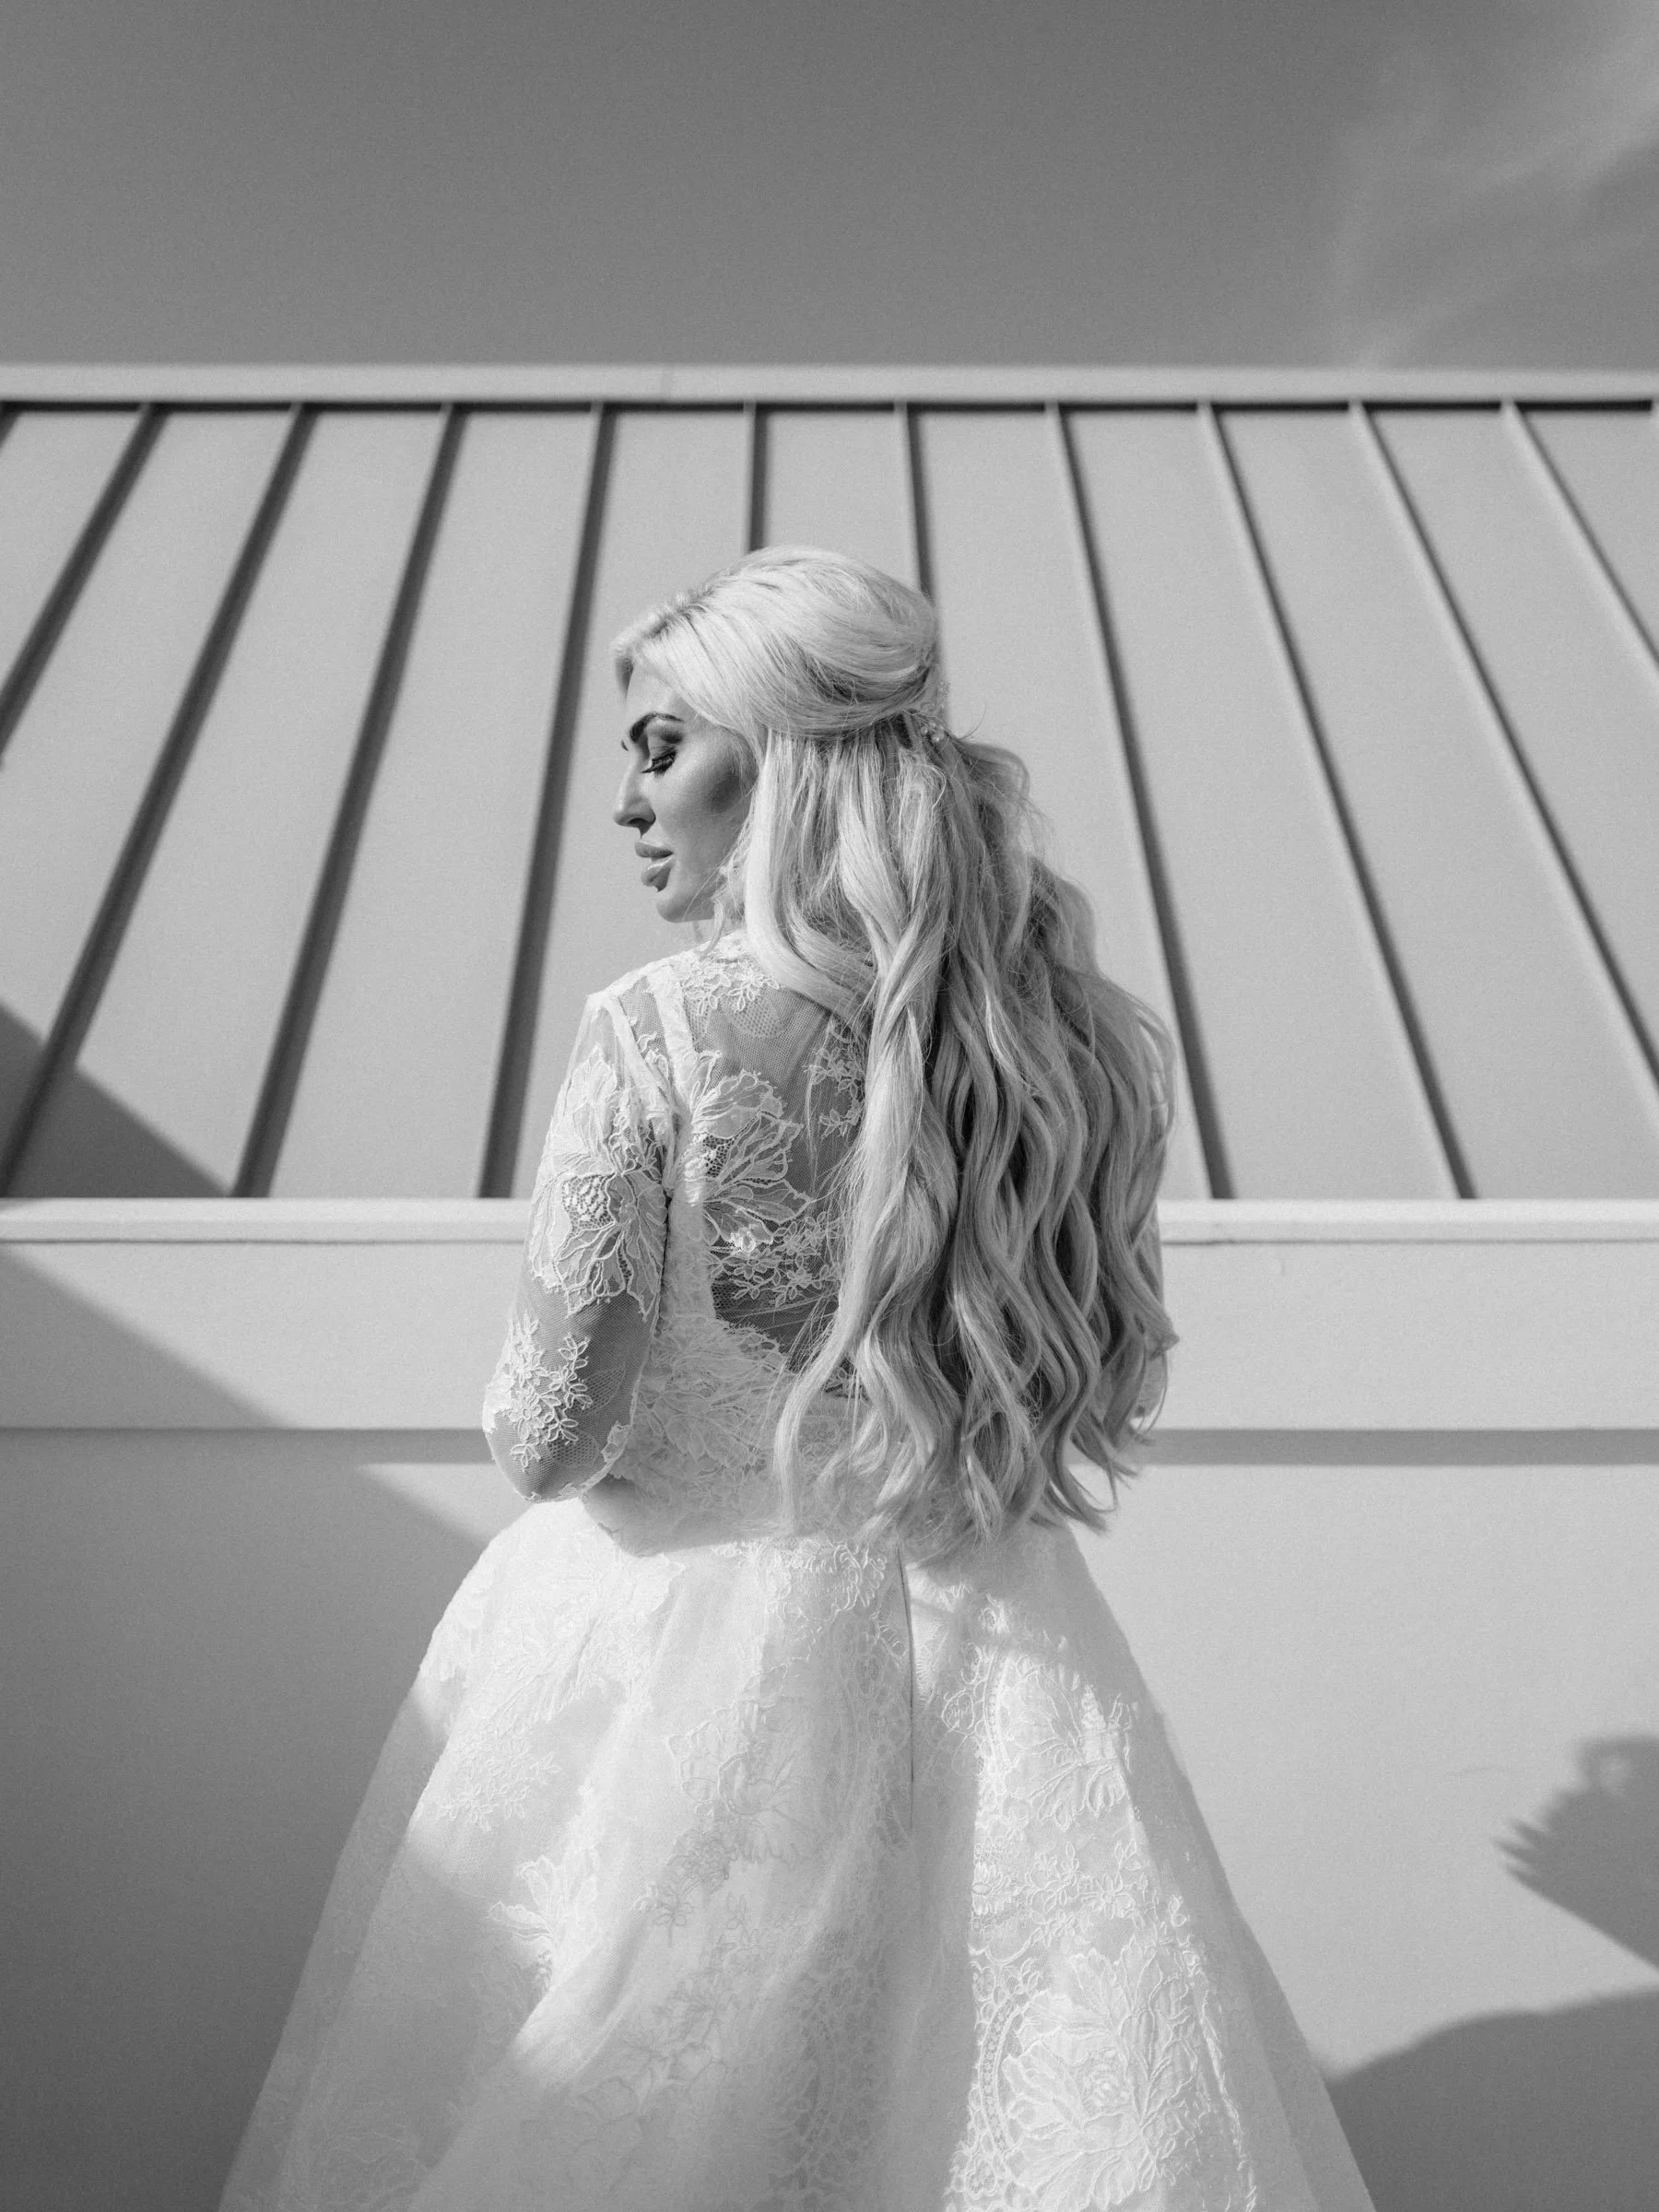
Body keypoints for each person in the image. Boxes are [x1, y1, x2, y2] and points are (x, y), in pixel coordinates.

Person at [221, 547, 1375, 2211]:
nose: (626, 796)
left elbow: (551, 1435)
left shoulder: (655, 1032)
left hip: (670, 1647)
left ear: (783, 762)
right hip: (991, 1652)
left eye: (660, 744)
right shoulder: (1046, 1044)